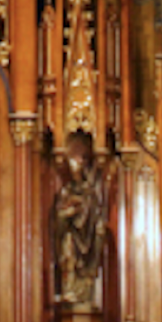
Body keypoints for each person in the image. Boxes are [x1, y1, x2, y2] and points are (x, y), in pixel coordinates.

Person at [54, 130, 110, 307]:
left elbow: (95, 214)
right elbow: (58, 217)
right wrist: (67, 213)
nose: (77, 165)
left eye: (81, 159)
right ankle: (69, 292)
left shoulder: (90, 192)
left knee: (87, 260)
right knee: (69, 255)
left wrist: (82, 209)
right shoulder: (66, 190)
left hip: (87, 239)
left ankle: (85, 294)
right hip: (71, 237)